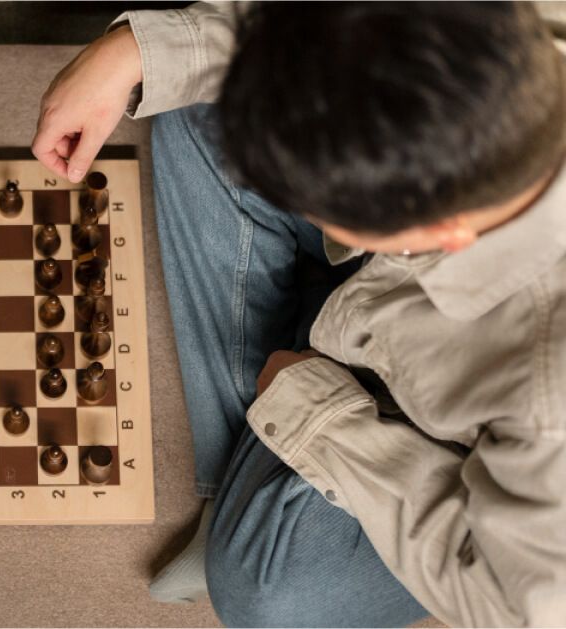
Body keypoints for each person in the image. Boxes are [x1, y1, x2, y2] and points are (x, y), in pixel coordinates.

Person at [34, 3, 566, 626]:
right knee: (207, 110)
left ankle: (257, 460)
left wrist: (316, 415)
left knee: (269, 597)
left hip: (461, 450)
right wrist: (139, 50)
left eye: (314, 205)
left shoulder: (546, 407)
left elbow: (516, 601)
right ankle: (239, 480)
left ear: (439, 230)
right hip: (395, 280)